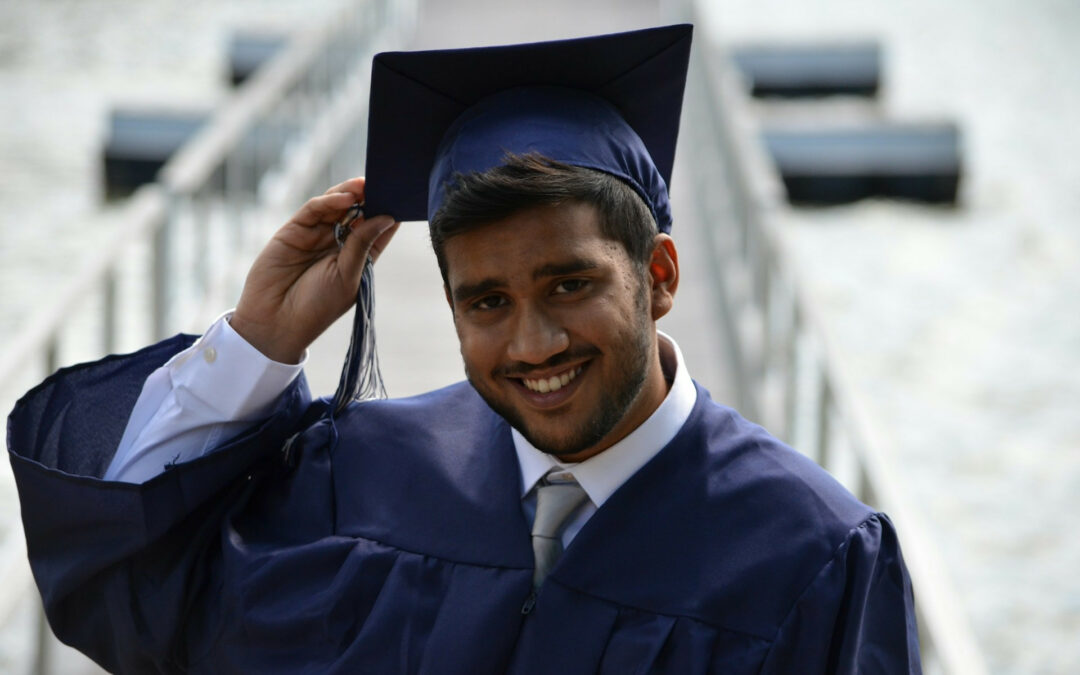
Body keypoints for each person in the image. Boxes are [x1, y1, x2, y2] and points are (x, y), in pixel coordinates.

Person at [7, 25, 921, 673]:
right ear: (447, 305)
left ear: (662, 275)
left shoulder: (813, 553)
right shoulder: (359, 475)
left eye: (571, 283)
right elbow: (131, 589)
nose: (533, 341)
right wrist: (259, 343)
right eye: (486, 300)